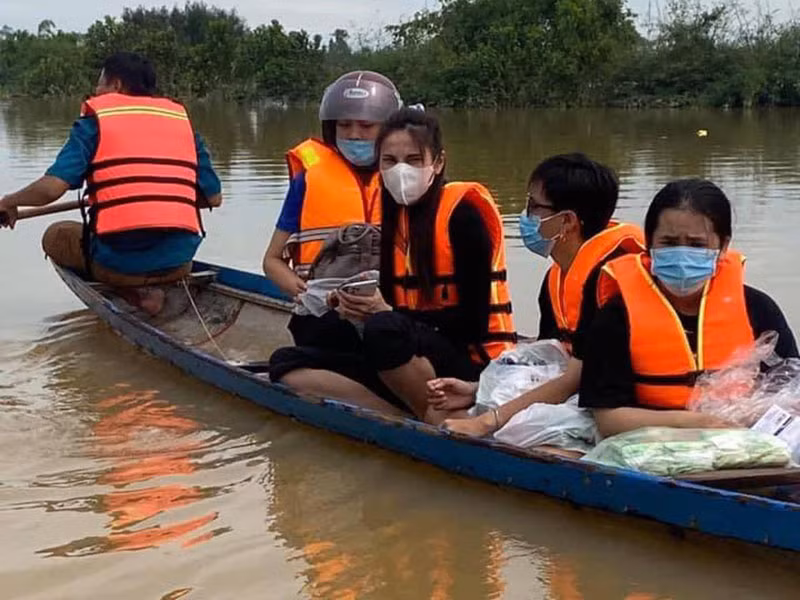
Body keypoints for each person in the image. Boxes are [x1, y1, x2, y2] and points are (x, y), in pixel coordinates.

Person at [269, 108, 517, 424]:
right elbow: (390, 298)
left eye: (414, 160)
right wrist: (350, 305)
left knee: (383, 328)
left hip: (473, 360)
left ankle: (437, 415)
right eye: (390, 161)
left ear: (437, 163)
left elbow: (473, 323)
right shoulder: (396, 216)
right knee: (289, 357)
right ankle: (405, 417)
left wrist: (386, 314)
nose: (401, 170)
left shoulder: (462, 215)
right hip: (413, 350)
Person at [431, 154, 645, 436]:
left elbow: (575, 377)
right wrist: (477, 390)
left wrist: (488, 420)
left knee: (505, 432)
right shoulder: (556, 278)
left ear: (566, 221)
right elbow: (552, 361)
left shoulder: (608, 280)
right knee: (441, 410)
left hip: (623, 401)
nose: (525, 215)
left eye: (534, 206)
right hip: (583, 388)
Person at [0, 52, 222, 315]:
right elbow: (213, 198)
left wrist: (8, 201)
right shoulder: (183, 126)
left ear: (116, 85)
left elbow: (52, 188)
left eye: (99, 83)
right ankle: (158, 286)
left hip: (120, 266)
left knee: (56, 235)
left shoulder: (93, 125)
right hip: (179, 262)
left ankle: (131, 292)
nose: (96, 90)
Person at [579, 178, 799, 437]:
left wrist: (750, 416)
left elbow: (790, 391)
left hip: (747, 441)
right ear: (649, 244)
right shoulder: (616, 316)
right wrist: (696, 422)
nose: (682, 255)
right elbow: (609, 420)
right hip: (652, 444)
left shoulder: (758, 308)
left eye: (697, 244)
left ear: (723, 246)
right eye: (669, 243)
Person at [262, 70, 403, 348]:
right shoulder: (307, 181)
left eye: (366, 125)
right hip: (326, 314)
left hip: (390, 310)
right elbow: (272, 261)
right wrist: (304, 294)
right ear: (331, 128)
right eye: (344, 125)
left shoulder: (405, 179)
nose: (354, 134)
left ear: (388, 128)